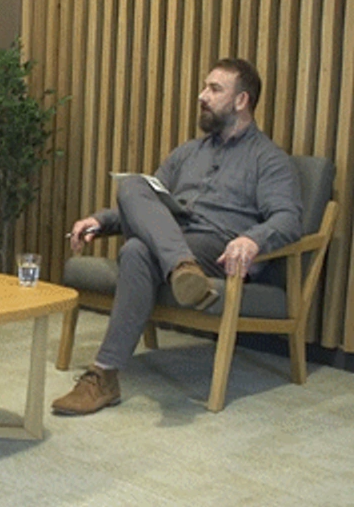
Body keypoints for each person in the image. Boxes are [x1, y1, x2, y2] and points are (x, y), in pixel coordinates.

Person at [51, 58, 303, 416]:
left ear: (242, 101)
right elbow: (149, 206)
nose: (202, 96)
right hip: (177, 241)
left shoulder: (270, 160)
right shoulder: (188, 153)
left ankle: (103, 377)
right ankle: (176, 272)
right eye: (204, 87)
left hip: (217, 249)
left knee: (140, 248)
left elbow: (288, 219)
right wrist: (101, 221)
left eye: (214, 89)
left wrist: (253, 240)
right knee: (135, 191)